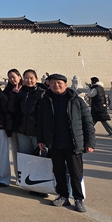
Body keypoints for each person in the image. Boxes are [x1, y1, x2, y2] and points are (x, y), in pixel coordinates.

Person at [37, 74, 96, 213]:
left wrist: (90, 142)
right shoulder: (46, 100)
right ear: (49, 84)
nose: (56, 85)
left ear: (65, 84)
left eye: (59, 83)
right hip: (55, 143)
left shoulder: (76, 101)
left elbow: (88, 122)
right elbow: (41, 122)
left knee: (76, 173)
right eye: (53, 83)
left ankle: (78, 199)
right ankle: (63, 196)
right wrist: (41, 139)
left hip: (73, 143)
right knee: (58, 171)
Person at [8, 69, 46, 155]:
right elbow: (12, 109)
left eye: (31, 78)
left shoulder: (42, 93)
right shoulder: (20, 92)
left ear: (36, 79)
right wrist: (14, 95)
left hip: (37, 132)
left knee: (42, 158)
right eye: (26, 78)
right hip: (22, 131)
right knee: (25, 157)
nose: (29, 80)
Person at [4, 68, 23, 177]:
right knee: (16, 152)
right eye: (10, 78)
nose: (12, 79)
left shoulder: (26, 89)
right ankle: (18, 176)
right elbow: (8, 110)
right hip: (13, 127)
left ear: (19, 77)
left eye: (14, 77)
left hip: (25, 127)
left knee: (25, 153)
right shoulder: (7, 92)